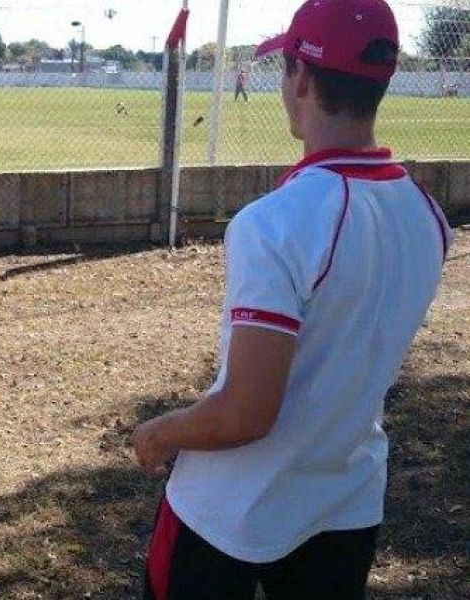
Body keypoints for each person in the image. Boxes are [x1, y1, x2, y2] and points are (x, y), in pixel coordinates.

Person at [130, 1, 453, 598]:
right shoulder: (430, 218)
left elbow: (246, 413)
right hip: (345, 503)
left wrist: (160, 432)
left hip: (229, 513)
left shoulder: (274, 223)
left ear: (301, 76)